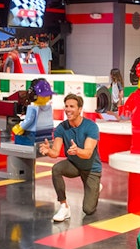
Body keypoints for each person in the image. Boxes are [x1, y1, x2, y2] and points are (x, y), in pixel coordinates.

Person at [39, 93, 102, 222]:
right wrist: (48, 151)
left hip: (91, 169)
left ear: (80, 109)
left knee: (88, 210)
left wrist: (77, 150)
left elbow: (88, 153)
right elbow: (56, 153)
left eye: (72, 106)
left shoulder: (91, 127)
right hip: (74, 165)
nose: (68, 109)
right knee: (57, 169)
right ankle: (64, 206)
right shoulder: (61, 128)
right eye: (66, 106)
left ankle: (96, 188)